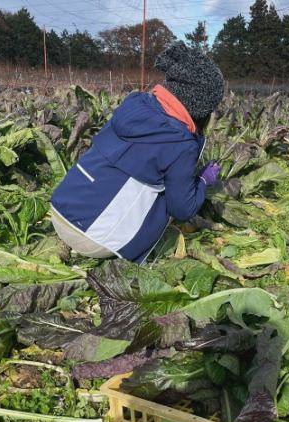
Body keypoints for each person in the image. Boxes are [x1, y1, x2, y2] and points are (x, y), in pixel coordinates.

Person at [50, 41, 224, 263]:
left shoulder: (134, 103)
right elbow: (182, 209)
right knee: (170, 196)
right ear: (200, 106)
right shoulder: (181, 142)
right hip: (92, 237)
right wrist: (202, 180)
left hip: (60, 209)